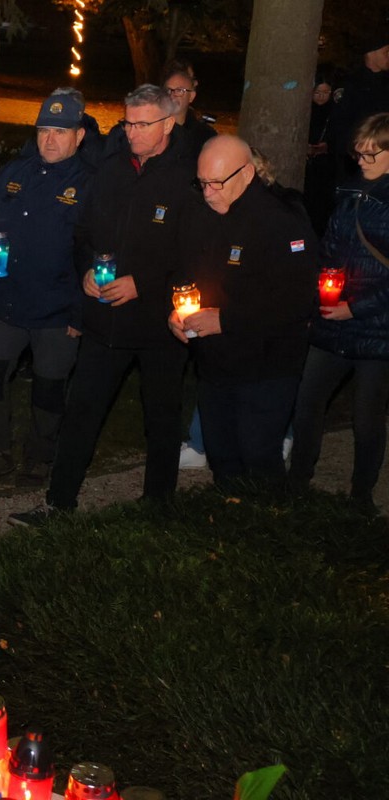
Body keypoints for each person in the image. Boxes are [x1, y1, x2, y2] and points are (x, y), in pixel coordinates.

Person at [8, 84, 196, 527]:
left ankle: (157, 509)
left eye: (142, 123)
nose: (131, 132)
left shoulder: (187, 179)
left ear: (168, 123)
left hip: (157, 327)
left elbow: (193, 256)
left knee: (162, 420)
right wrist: (88, 271)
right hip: (103, 321)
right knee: (82, 413)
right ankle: (59, 503)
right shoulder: (109, 171)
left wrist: (144, 285)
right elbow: (83, 234)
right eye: (127, 122)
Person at [169, 135, 316, 490]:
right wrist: (177, 311)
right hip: (216, 363)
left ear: (247, 173)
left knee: (258, 453)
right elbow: (185, 272)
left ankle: (268, 523)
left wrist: (225, 319)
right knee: (222, 453)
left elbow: (296, 301)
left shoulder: (281, 221)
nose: (208, 192)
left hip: (266, 364)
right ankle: (229, 517)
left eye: (217, 183)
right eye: (202, 182)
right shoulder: (202, 214)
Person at [0, 89, 93, 488]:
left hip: (57, 310)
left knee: (50, 389)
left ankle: (40, 456)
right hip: (5, 303)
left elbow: (98, 255)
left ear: (79, 136)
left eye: (60, 131)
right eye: (43, 130)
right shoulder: (15, 173)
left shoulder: (89, 185)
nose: (49, 140)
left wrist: (80, 314)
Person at [289, 112, 389, 512]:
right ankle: (297, 480)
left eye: (372, 153)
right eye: (359, 152)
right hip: (334, 319)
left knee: (367, 417)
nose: (362, 160)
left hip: (377, 328)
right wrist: (322, 290)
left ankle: (361, 495)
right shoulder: (348, 192)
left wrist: (357, 308)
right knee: (308, 400)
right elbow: (329, 247)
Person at [328, 22, 389, 181]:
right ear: (371, 53)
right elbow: (340, 127)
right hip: (356, 164)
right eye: (386, 52)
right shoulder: (350, 84)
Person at [305, 67, 338, 236]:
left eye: (325, 92)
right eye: (317, 92)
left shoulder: (334, 111)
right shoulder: (304, 110)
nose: (321, 96)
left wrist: (327, 146)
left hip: (325, 167)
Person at [162, 60, 216, 158]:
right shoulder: (152, 128)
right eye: (169, 90)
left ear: (191, 96)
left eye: (179, 90)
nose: (196, 83)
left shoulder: (204, 135)